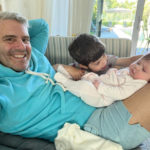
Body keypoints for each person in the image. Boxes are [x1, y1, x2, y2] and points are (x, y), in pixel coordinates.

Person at [0, 11, 150, 150]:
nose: (21, 46)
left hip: (104, 102)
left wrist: (58, 66)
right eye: (9, 39)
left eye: (25, 38)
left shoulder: (32, 53)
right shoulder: (4, 89)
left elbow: (41, 26)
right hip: (93, 127)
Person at [54, 54, 150, 107]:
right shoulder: (131, 72)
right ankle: (63, 72)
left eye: (143, 70)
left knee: (84, 87)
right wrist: (112, 71)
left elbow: (120, 93)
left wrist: (101, 87)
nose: (137, 67)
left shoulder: (137, 83)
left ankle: (65, 82)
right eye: (138, 63)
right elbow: (114, 76)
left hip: (102, 97)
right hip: (99, 81)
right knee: (86, 75)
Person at [53, 33, 142, 80]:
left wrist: (145, 58)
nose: (104, 61)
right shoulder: (77, 68)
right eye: (97, 63)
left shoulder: (107, 59)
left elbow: (129, 60)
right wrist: (67, 69)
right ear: (84, 66)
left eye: (103, 55)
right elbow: (53, 68)